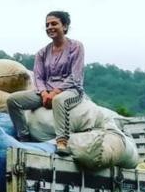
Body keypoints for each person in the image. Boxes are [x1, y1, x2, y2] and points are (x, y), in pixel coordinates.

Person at [6, 10, 86, 155]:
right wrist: (43, 93)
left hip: (71, 90)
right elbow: (38, 77)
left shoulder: (76, 47)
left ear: (65, 26)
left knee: (59, 101)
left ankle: (62, 142)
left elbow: (75, 76)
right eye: (47, 25)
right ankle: (24, 137)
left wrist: (55, 93)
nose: (50, 27)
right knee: (13, 100)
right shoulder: (42, 53)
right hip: (45, 91)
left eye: (54, 23)